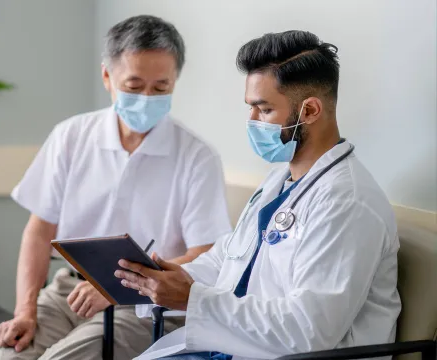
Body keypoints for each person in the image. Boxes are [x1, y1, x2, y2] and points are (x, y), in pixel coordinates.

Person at [115, 30, 401, 360]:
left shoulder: (347, 203)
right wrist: (176, 278)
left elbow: (310, 331)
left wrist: (192, 298)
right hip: (234, 345)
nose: (251, 121)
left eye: (263, 110)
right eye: (250, 108)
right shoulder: (281, 179)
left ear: (309, 111)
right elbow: (230, 256)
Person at [0, 15, 232, 360]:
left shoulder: (197, 157)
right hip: (69, 290)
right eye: (134, 86)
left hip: (146, 305)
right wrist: (25, 310)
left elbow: (206, 252)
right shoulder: (70, 137)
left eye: (161, 87)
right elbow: (39, 232)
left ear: (175, 80)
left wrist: (117, 287)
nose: (147, 97)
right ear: (107, 76)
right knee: (7, 356)